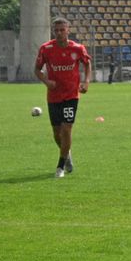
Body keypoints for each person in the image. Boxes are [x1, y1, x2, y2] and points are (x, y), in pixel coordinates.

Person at [34, 17, 92, 179]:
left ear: (68, 30)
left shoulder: (78, 48)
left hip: (71, 95)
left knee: (66, 129)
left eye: (62, 30)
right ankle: (67, 154)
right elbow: (37, 70)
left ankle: (60, 166)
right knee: (56, 134)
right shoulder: (46, 49)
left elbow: (87, 63)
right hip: (53, 96)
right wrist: (46, 81)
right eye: (56, 30)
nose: (59, 33)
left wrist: (86, 82)